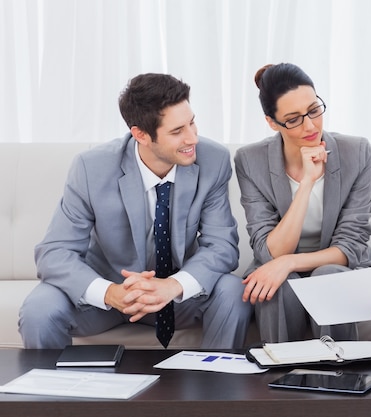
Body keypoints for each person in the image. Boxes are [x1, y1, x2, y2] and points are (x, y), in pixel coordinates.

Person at [19, 73, 252, 349]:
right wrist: (110, 293)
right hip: (108, 297)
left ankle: (216, 385)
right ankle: (56, 392)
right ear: (140, 134)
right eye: (177, 131)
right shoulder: (90, 168)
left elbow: (222, 246)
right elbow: (54, 253)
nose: (193, 138)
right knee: (39, 309)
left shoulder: (214, 160)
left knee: (233, 293)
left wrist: (172, 286)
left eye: (192, 122)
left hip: (179, 298)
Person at [234, 63, 371, 343]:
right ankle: (280, 379)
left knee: (328, 276)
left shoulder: (357, 153)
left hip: (338, 267)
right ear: (272, 122)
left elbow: (350, 246)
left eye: (314, 110)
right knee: (278, 285)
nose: (310, 126)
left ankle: (339, 377)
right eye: (293, 119)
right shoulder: (250, 161)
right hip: (278, 268)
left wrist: (289, 262)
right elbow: (271, 253)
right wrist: (307, 183)